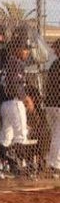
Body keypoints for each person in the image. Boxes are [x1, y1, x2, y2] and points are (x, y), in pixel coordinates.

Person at [0, 34, 32, 177]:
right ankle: (19, 166)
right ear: (17, 49)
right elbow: (14, 85)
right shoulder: (15, 62)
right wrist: (26, 99)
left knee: (6, 136)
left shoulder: (8, 61)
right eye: (24, 49)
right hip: (14, 102)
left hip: (6, 104)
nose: (27, 52)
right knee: (21, 135)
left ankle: (3, 167)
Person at [43, 39, 60, 178]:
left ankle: (52, 163)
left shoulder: (55, 64)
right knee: (57, 136)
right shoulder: (56, 64)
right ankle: (55, 165)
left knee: (55, 134)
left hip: (51, 104)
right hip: (56, 105)